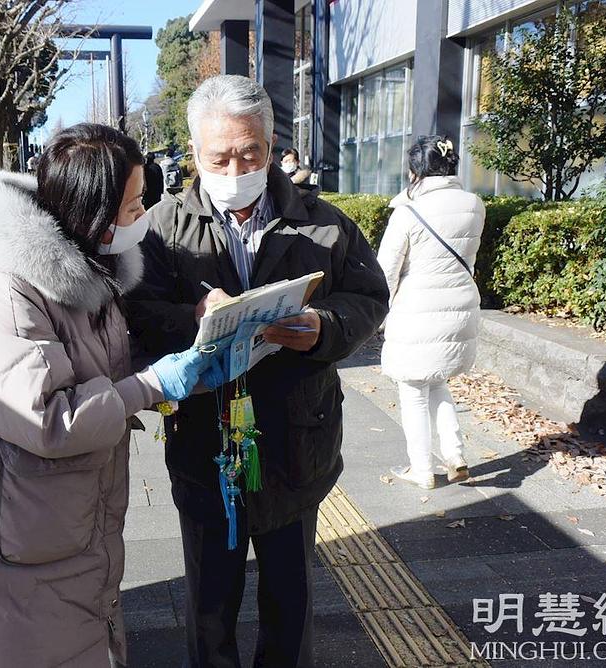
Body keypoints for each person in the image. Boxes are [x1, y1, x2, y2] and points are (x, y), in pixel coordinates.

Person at [127, 75, 389, 667]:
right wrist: (192, 316)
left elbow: (370, 297)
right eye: (219, 157)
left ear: (271, 146)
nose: (236, 169)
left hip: (298, 439)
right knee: (209, 602)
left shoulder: (325, 224)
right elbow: (136, 314)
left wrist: (324, 326)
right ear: (194, 153)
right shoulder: (161, 229)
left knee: (290, 599)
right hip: (205, 441)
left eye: (250, 153)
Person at [0, 122, 212, 668]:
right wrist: (152, 385)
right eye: (132, 205)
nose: (142, 216)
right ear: (93, 212)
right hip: (15, 547)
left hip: (66, 529)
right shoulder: (3, 291)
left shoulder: (86, 276)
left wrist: (186, 357)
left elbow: (97, 367)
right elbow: (47, 419)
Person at [377, 136, 485, 489]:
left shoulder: (408, 212)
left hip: (416, 309)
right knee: (437, 380)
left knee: (412, 389)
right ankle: (455, 456)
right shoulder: (474, 205)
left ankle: (421, 468)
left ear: (416, 171)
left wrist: (378, 314)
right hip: (460, 305)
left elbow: (386, 271)